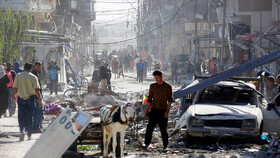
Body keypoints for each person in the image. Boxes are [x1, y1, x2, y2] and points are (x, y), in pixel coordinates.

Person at [12, 62, 42, 141]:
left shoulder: (18, 76)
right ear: (31, 69)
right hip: (31, 98)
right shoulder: (33, 77)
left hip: (21, 98)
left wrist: (12, 98)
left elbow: (15, 88)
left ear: (24, 67)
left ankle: (22, 131)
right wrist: (39, 99)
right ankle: (29, 135)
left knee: (21, 116)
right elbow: (36, 90)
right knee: (30, 116)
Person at [144, 70, 173, 151]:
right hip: (153, 111)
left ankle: (165, 146)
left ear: (161, 76)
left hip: (163, 111)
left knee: (163, 130)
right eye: (155, 78)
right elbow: (149, 99)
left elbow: (170, 100)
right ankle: (146, 144)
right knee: (149, 128)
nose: (156, 79)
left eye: (157, 78)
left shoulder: (168, 87)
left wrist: (167, 112)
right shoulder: (153, 86)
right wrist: (146, 111)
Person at [32, 62, 43, 133]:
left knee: (36, 112)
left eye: (40, 66)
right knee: (39, 112)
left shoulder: (37, 74)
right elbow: (36, 88)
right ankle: (36, 127)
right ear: (34, 67)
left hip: (36, 96)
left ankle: (36, 126)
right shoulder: (34, 75)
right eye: (38, 66)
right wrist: (39, 97)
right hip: (36, 96)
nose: (39, 68)